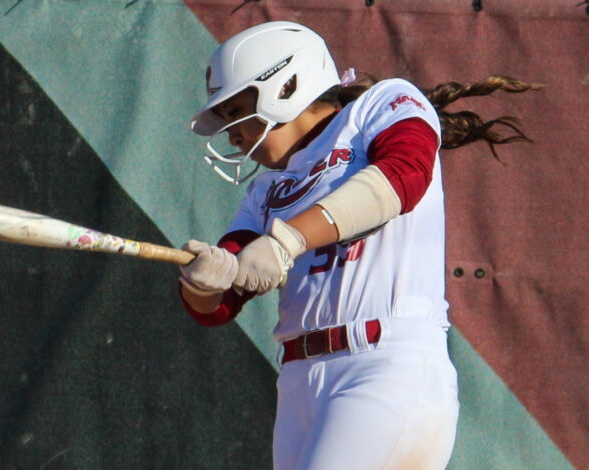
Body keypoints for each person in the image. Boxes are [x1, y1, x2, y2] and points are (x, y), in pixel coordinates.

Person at [177, 21, 541, 470]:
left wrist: (288, 240)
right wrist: (205, 282)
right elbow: (220, 301)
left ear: (286, 85)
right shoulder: (266, 191)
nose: (231, 132)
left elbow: (403, 176)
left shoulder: (378, 105)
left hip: (383, 367)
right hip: (298, 384)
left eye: (236, 110)